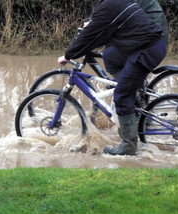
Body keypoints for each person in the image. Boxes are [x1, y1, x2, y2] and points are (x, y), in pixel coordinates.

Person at [58, 0, 167, 155]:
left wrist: (68, 55)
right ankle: (134, 96)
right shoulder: (113, 3)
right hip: (143, 43)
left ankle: (128, 145)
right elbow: (104, 26)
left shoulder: (108, 5)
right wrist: (93, 24)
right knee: (110, 56)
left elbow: (91, 35)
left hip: (146, 50)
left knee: (122, 95)